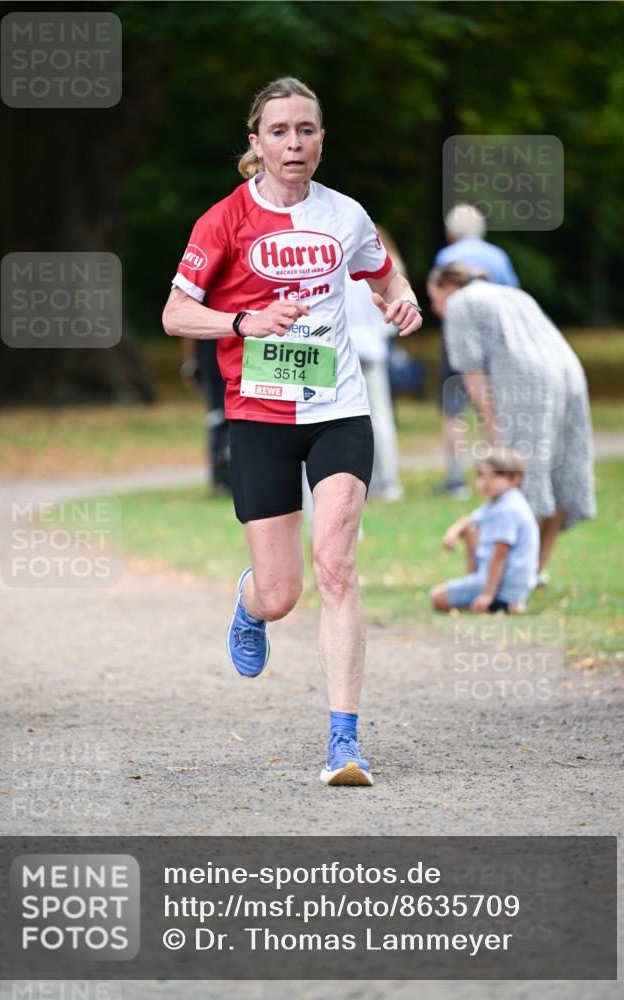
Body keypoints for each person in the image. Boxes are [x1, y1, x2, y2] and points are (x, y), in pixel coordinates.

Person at [162, 78, 423, 786]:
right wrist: (243, 323)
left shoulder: (345, 215)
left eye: (305, 129)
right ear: (257, 143)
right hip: (258, 417)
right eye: (278, 131)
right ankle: (252, 602)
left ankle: (345, 743)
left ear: (320, 139)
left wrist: (401, 306)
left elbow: (386, 277)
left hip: (337, 408)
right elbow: (175, 316)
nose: (293, 143)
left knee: (336, 566)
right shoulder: (223, 220)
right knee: (284, 593)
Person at [427, 263, 595, 583]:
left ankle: (513, 576)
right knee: (563, 474)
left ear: (448, 289)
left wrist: (494, 423)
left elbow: (471, 369)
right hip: (569, 373)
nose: (438, 310)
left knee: (520, 481)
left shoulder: (460, 304)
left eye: (435, 301)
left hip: (526, 382)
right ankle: (536, 568)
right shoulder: (513, 294)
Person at [433, 204, 520, 498]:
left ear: (452, 231)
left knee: (453, 412)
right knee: (491, 411)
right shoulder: (498, 256)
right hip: (492, 346)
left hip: (456, 341)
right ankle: (499, 474)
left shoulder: (447, 257)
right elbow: (513, 299)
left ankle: (455, 479)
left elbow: (439, 298)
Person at [430, 448, 539, 614]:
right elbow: (471, 520)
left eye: (495, 476)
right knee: (470, 529)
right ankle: (491, 597)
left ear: (515, 479)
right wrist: (452, 532)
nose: (486, 482)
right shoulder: (500, 501)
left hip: (504, 584)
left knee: (437, 597)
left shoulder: (507, 510)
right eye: (481, 476)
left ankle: (496, 602)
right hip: (503, 582)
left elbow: (500, 553)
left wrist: (487, 594)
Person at [343, 226, 405, 501]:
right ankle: (389, 481)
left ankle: (357, 479)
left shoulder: (339, 269)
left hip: (344, 349)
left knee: (346, 418)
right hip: (374, 346)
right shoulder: (382, 271)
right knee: (380, 416)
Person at [180, 339, 231, 494]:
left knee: (217, 417)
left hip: (212, 356)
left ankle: (220, 478)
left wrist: (190, 361)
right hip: (226, 355)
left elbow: (188, 332)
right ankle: (224, 476)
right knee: (221, 417)